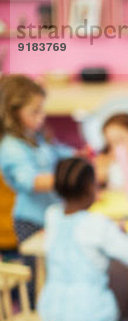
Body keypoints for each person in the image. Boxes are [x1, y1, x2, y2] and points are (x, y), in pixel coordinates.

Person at [37, 157, 128, 321]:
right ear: (90, 189)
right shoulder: (97, 224)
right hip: (90, 316)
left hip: (50, 311)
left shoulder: (52, 214)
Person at [0, 74, 73, 244]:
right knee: (38, 266)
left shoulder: (34, 136)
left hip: (49, 213)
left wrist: (78, 155)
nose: (41, 116)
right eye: (34, 112)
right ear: (13, 113)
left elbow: (55, 151)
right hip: (31, 221)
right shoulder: (11, 147)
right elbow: (30, 181)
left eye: (41, 110)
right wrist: (70, 180)